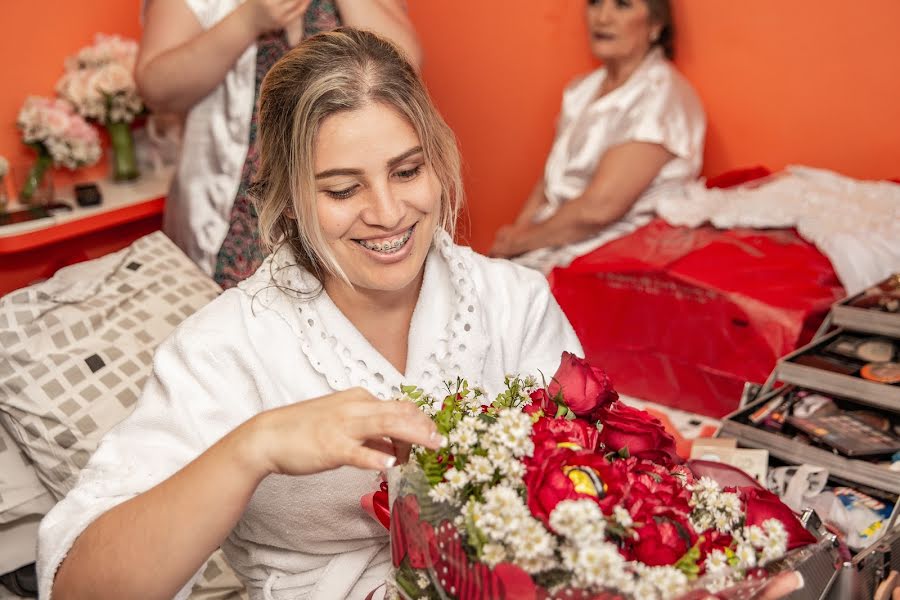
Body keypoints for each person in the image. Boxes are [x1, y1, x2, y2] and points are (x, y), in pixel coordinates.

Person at [40, 29, 582, 600]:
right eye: (343, 190)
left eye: (406, 172)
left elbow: (592, 491)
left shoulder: (513, 302)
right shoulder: (225, 347)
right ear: (290, 197)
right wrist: (255, 446)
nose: (388, 212)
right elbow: (83, 588)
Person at [136, 0, 422, 277]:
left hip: (352, 200)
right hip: (241, 209)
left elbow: (404, 70)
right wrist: (248, 20)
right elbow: (157, 88)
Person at [489, 0, 706, 273]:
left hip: (611, 262)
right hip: (547, 245)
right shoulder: (581, 89)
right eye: (595, 3)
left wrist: (519, 243)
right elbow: (547, 184)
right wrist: (509, 245)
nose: (602, 17)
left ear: (655, 24)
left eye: (622, 5)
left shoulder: (662, 97)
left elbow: (600, 209)